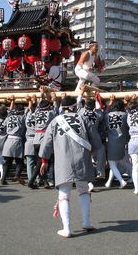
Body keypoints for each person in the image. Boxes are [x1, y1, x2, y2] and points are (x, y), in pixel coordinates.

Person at [39, 96, 101, 238]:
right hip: (82, 158)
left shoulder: (55, 121)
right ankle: (86, 222)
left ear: (62, 107)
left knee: (64, 195)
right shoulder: (83, 119)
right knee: (84, 191)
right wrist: (94, 154)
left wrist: (44, 160)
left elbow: (46, 143)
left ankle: (66, 228)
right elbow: (96, 141)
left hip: (63, 160)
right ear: (75, 106)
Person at [104, 97, 131, 189]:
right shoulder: (125, 114)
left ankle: (121, 181)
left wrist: (109, 104)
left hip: (112, 142)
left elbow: (104, 114)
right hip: (123, 141)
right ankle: (109, 182)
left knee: (112, 163)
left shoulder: (107, 115)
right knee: (116, 163)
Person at [0, 96, 26, 185]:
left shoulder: (9, 117)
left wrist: (12, 101)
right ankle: (17, 175)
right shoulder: (22, 118)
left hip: (8, 140)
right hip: (17, 140)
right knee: (20, 161)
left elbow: (9, 112)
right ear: (22, 111)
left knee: (8, 162)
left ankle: (3, 179)